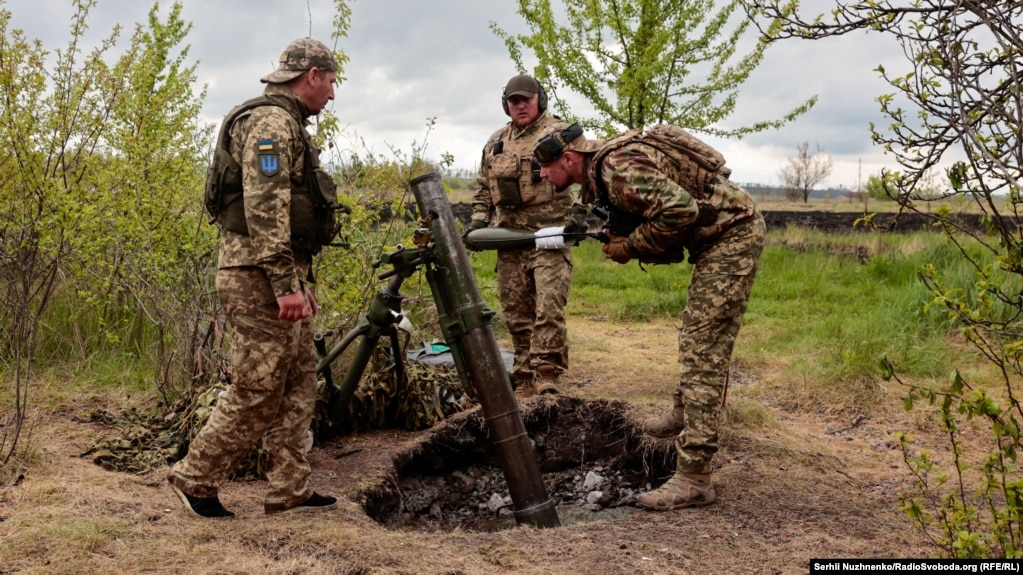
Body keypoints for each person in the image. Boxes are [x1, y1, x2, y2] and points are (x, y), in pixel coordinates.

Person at [532, 121, 766, 510]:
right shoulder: (604, 171)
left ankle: (694, 477)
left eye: (546, 167)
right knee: (697, 336)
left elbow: (680, 209)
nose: (541, 174)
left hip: (732, 234)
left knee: (703, 348)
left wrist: (631, 247)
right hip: (720, 237)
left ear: (569, 158)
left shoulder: (616, 169)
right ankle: (683, 413)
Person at [168, 37, 344, 518]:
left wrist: (296, 280)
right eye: (329, 83)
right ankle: (195, 477)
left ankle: (289, 488)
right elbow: (265, 208)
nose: (331, 95)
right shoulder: (270, 124)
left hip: (283, 271)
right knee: (259, 385)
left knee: (299, 380)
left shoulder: (286, 122)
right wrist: (284, 285)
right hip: (258, 276)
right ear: (311, 75)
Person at [467, 75, 575, 397]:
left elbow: (582, 173)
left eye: (526, 99)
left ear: (539, 99)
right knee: (515, 310)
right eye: (514, 101)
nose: (520, 105)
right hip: (509, 238)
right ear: (506, 104)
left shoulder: (558, 134)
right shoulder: (496, 141)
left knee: (548, 306)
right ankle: (524, 371)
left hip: (550, 236)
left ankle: (546, 372)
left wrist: (581, 217)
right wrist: (477, 223)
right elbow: (483, 187)